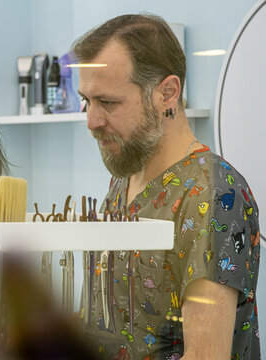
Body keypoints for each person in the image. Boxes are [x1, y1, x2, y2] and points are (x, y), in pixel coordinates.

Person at [72, 14, 260, 360]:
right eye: (86, 101)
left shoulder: (213, 195)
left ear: (167, 94)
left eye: (108, 102)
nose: (91, 121)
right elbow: (125, 326)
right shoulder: (123, 178)